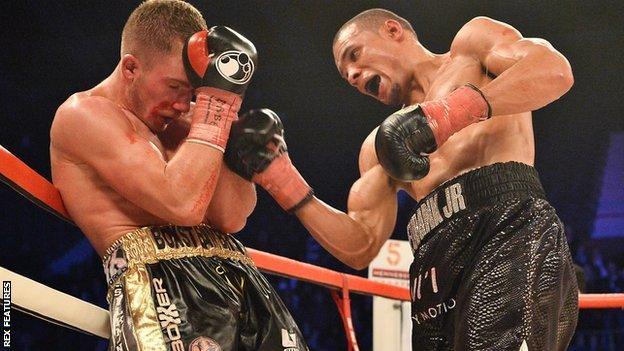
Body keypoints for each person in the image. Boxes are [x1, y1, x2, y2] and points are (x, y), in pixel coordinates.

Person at [224, 8, 578, 351]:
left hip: (507, 232)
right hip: (433, 270)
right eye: (347, 74)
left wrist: (446, 116)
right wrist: (285, 182)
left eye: (355, 55)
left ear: (394, 31)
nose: (353, 75)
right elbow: (360, 246)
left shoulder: (473, 46)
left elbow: (554, 71)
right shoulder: (380, 147)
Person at [49, 1, 308, 350]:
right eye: (174, 87)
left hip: (243, 281)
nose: (183, 104)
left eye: (195, 91)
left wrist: (228, 126)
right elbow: (181, 204)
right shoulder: (85, 115)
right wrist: (216, 106)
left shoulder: (193, 123)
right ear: (131, 68)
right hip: (164, 291)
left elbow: (231, 217)